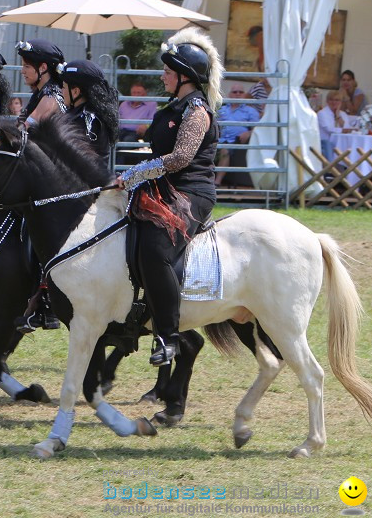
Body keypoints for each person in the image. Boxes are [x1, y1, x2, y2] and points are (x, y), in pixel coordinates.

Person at [119, 27, 221, 367]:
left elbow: (180, 159)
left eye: (167, 71)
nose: (161, 76)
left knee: (155, 247)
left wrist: (136, 173)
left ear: (184, 76)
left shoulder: (197, 111)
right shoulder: (175, 105)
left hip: (192, 192)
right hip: (165, 187)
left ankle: (168, 335)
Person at [58, 60, 120, 165]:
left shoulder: (86, 119)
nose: (61, 91)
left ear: (75, 92)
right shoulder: (79, 114)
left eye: (63, 87)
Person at [216, 83, 261, 186]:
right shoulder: (221, 110)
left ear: (244, 95)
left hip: (237, 143)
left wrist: (249, 133)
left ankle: (217, 182)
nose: (238, 94)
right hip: (218, 141)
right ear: (230, 94)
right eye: (235, 92)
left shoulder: (250, 111)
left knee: (225, 150)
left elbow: (259, 130)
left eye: (241, 92)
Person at [15, 39, 65, 126]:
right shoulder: (39, 93)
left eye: (27, 66)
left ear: (43, 68)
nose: (22, 71)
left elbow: (23, 129)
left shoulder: (51, 97)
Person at [317, 90, 354, 159]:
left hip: (340, 142)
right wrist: (342, 131)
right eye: (331, 100)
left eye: (337, 100)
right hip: (326, 142)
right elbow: (328, 129)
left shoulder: (343, 114)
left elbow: (346, 128)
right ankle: (331, 168)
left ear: (341, 102)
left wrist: (338, 116)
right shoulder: (322, 113)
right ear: (327, 101)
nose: (334, 102)